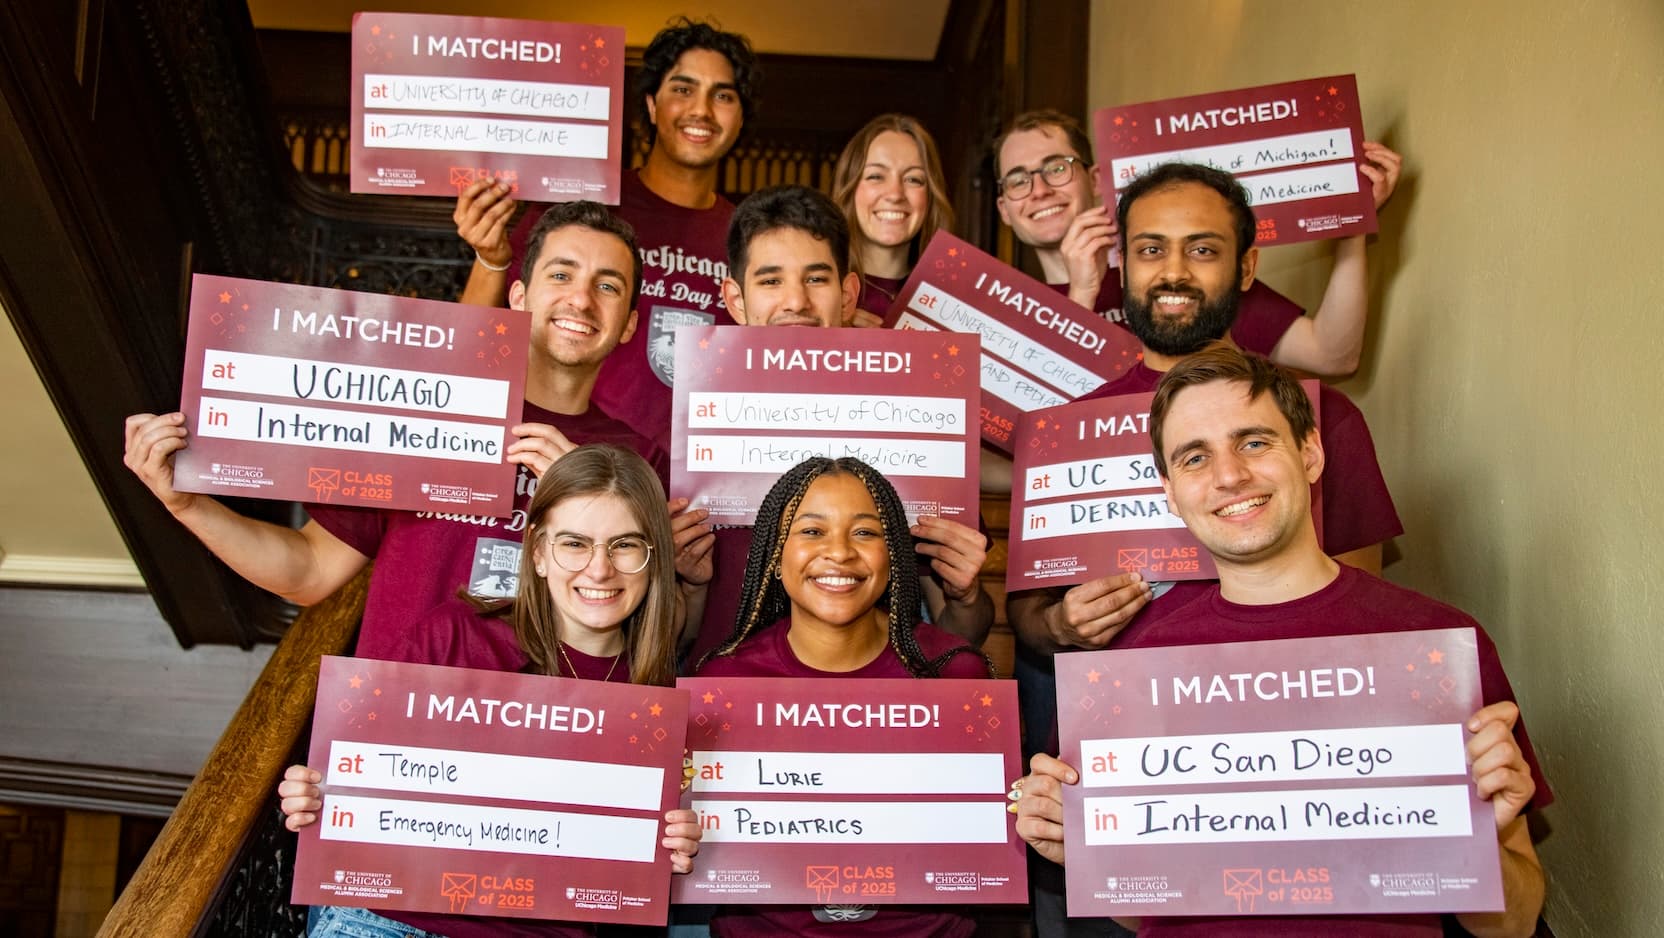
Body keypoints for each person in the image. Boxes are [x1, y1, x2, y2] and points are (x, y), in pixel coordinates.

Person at [1013, 345, 1551, 937]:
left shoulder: (1434, 647)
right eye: (1195, 457)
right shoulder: (1130, 674)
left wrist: (1485, 845)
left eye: (1253, 442)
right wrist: (1084, 851)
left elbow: (1516, 923)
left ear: (1312, 452)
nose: (1228, 476)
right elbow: (1144, 911)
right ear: (1169, 490)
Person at [1003, 161, 1404, 938]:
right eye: (1150, 249)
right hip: (1121, 794)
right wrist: (1063, 627)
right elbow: (1028, 615)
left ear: (1248, 266)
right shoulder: (1060, 430)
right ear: (1121, 263)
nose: (1173, 271)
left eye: (1203, 248)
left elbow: (1366, 621)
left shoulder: (1323, 420)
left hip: (1298, 787)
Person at [124, 203, 668, 661]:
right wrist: (188, 505)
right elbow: (309, 570)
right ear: (519, 296)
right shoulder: (421, 409)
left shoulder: (638, 460)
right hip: (395, 739)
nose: (580, 299)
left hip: (539, 744)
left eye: (607, 286)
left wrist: (579, 493)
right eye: (561, 274)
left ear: (628, 325)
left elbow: (653, 627)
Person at [277, 444, 702, 938]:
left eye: (625, 544)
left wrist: (675, 845)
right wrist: (314, 794)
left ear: (654, 559)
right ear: (539, 554)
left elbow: (631, 867)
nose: (599, 569)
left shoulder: (656, 703)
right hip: (389, 921)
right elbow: (354, 784)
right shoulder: (453, 635)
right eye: (574, 543)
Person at [677, 185, 995, 670]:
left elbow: (959, 634)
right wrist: (688, 585)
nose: (795, 301)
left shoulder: (920, 421)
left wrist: (967, 595)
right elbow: (671, 642)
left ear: (848, 293)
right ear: (735, 299)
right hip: (730, 707)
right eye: (770, 281)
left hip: (878, 715)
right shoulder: (689, 432)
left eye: (816, 279)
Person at [695, 456, 992, 937]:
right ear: (774, 553)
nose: (839, 553)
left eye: (865, 533)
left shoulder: (954, 675)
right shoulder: (724, 680)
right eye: (811, 532)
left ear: (894, 552)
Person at [454, 18, 760, 455]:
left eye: (723, 95)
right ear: (652, 105)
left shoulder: (748, 238)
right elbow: (472, 347)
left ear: (740, 116)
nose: (702, 110)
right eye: (682, 88)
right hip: (564, 462)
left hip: (691, 482)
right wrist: (490, 259)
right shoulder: (576, 209)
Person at [993, 109, 1401, 377]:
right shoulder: (999, 312)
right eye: (1018, 180)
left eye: (1056, 168)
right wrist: (1080, 294)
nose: (1040, 189)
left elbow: (1332, 355)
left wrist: (1353, 227)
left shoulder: (1180, 275)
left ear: (1096, 179)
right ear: (1004, 210)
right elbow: (1031, 428)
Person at [829, 114, 955, 327]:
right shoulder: (821, 289)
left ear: (931, 197)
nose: (895, 194)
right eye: (876, 176)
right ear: (849, 188)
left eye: (913, 179)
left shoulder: (955, 299)